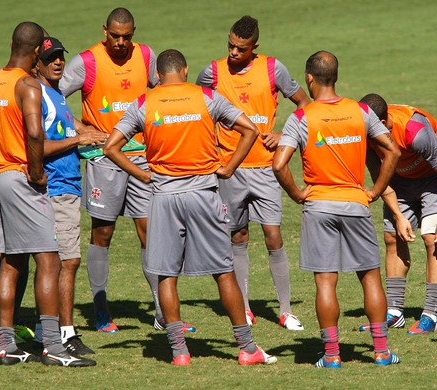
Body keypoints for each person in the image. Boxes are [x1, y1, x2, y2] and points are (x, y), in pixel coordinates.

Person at [103, 49, 276, 366]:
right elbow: (250, 130)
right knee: (224, 271)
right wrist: (230, 166)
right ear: (184, 70)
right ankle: (247, 348)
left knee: (166, 274)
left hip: (164, 197)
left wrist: (142, 173)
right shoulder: (206, 96)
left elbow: (110, 147)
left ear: (158, 75)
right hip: (203, 194)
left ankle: (179, 351)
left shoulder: (143, 103)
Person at [0, 22, 95, 367]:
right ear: (37, 52)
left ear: (11, 43)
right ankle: (53, 346)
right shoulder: (28, 85)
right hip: (22, 180)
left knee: (11, 259)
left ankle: (7, 347)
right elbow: (35, 133)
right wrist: (36, 174)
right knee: (48, 259)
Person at [59, 8, 193, 333]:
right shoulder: (86, 62)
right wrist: (82, 130)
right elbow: (53, 97)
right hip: (104, 158)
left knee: (150, 231)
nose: (121, 42)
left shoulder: (146, 55)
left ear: (134, 33)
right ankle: (101, 311)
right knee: (102, 233)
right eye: (115, 35)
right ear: (104, 30)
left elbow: (162, 91)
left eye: (127, 36)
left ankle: (163, 313)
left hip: (142, 158)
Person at [273, 51, 402, 368]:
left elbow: (279, 164)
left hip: (318, 206)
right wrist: (374, 191)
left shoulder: (302, 117)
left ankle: (331, 356)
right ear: (336, 76)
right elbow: (393, 151)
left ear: (309, 79)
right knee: (370, 277)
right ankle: (382, 352)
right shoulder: (359, 111)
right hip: (355, 203)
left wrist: (298, 194)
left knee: (325, 282)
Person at [196, 15, 311, 329]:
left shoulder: (274, 69)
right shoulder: (212, 72)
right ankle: (245, 308)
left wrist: (285, 133)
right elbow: (194, 108)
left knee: (273, 236)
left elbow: (304, 104)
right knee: (238, 235)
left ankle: (285, 310)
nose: (233, 53)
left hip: (265, 168)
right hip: (229, 171)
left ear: (254, 47)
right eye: (230, 45)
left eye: (241, 48)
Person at [33, 37, 108, 355]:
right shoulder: (39, 96)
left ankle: (43, 330)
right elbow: (37, 145)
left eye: (61, 56)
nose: (58, 62)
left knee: (55, 261)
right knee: (66, 261)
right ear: (37, 62)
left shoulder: (57, 95)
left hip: (68, 188)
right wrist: (79, 139)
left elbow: (68, 126)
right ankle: (64, 333)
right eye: (51, 57)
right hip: (56, 189)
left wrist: (92, 134)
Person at [358, 95, 437, 335]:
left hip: (434, 177)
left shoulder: (414, 130)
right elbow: (381, 179)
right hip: (399, 180)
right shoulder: (366, 134)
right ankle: (394, 312)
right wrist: (399, 217)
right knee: (392, 237)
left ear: (383, 122)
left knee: (432, 238)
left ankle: (430, 315)